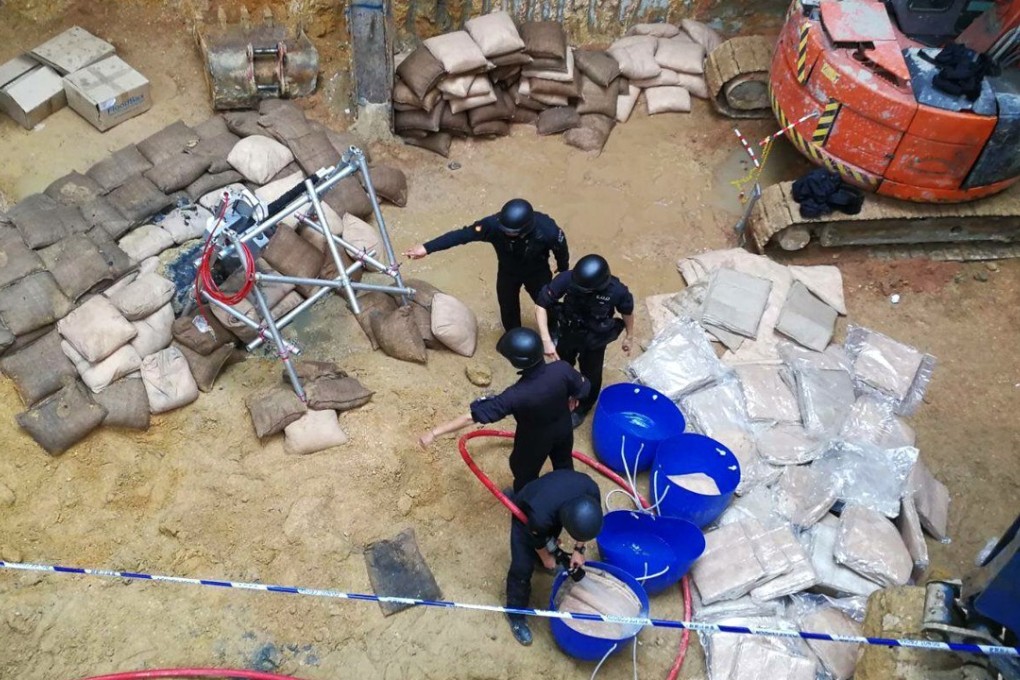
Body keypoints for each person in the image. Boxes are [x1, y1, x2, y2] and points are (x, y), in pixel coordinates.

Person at [418, 327, 589, 493]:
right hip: (564, 429)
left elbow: (471, 417)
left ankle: (526, 504)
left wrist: (434, 432)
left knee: (523, 472)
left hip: (534, 440)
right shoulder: (561, 369)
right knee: (564, 463)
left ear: (517, 362)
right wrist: (574, 397)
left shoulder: (515, 396)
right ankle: (570, 494)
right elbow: (584, 385)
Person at [403, 198, 569, 331]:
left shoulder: (547, 230)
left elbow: (561, 248)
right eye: (505, 230)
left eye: (512, 233)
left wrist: (562, 267)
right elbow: (462, 235)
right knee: (507, 303)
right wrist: (427, 248)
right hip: (508, 271)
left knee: (547, 303)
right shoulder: (493, 225)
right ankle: (513, 334)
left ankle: (552, 328)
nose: (506, 234)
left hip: (537, 272)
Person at [504, 469, 604, 646]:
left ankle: (541, 560)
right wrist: (546, 558)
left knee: (548, 535)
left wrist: (578, 551)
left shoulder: (591, 492)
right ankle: (515, 615)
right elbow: (537, 536)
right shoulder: (540, 516)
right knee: (522, 567)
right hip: (528, 512)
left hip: (554, 504)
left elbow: (585, 527)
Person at [535, 254, 634, 429]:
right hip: (569, 330)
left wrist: (630, 336)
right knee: (562, 364)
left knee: (592, 375)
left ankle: (582, 408)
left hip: (595, 339)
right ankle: (561, 393)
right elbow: (541, 304)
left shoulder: (616, 291)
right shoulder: (568, 279)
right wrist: (546, 340)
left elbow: (627, 312)